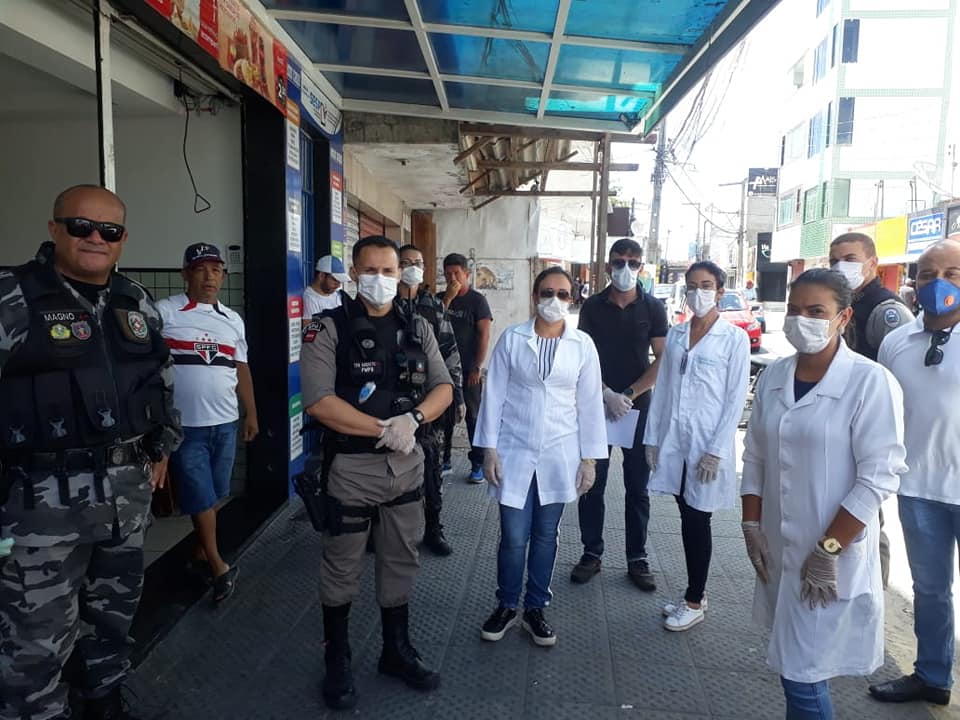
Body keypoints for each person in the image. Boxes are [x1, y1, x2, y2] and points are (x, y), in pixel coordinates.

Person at [0, 185, 182, 720]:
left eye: (109, 230)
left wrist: (162, 446)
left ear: (123, 239)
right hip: (38, 508)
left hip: (125, 498)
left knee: (113, 617)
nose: (95, 238)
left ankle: (104, 700)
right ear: (54, 229)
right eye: (80, 226)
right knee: (34, 638)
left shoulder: (133, 299)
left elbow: (160, 377)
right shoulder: (13, 296)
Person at [740, 268, 906, 720]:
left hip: (831, 556)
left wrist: (828, 549)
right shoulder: (775, 376)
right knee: (795, 667)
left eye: (816, 311)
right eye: (794, 310)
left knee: (802, 675)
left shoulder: (869, 382)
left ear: (843, 317)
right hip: (779, 549)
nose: (802, 320)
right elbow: (755, 456)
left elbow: (879, 477)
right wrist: (751, 524)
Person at [300, 235, 453, 710]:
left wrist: (414, 420)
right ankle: (338, 658)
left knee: (401, 559)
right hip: (351, 467)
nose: (381, 279)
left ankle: (395, 650)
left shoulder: (418, 325)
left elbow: (443, 386)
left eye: (389, 271)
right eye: (371, 271)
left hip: (407, 466)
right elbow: (319, 401)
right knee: (342, 565)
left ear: (400, 274)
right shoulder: (327, 328)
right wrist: (383, 429)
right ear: (353, 273)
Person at [474, 267, 606, 647]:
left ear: (572, 299)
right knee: (514, 536)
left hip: (560, 454)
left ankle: (535, 608)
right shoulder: (513, 339)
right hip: (514, 451)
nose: (554, 300)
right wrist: (489, 450)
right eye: (547, 292)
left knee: (546, 535)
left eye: (562, 294)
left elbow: (590, 404)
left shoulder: (582, 345)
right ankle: (506, 604)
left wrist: (589, 460)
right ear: (534, 296)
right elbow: (493, 396)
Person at [869, 238, 960, 708]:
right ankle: (932, 675)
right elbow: (882, 412)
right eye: (928, 274)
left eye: (952, 274)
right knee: (929, 591)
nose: (938, 283)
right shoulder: (896, 342)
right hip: (919, 487)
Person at [643, 261, 750, 631]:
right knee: (685, 513)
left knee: (697, 518)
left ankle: (693, 600)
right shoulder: (676, 335)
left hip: (706, 442)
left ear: (720, 291)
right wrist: (652, 438)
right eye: (691, 285)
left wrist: (717, 449)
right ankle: (695, 593)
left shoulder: (733, 339)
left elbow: (735, 398)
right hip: (675, 440)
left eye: (706, 285)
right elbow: (664, 389)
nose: (698, 292)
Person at [156, 243, 259, 602]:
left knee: (215, 494)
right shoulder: (165, 312)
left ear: (223, 276)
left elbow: (241, 370)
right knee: (200, 498)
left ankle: (200, 552)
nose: (209, 276)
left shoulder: (232, 319)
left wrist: (251, 413)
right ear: (185, 274)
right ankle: (218, 566)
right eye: (200, 269)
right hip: (185, 428)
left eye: (215, 270)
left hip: (226, 422)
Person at [571, 238, 668, 591]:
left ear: (641, 266)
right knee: (591, 482)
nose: (625, 268)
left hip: (637, 407)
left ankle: (637, 558)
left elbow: (663, 358)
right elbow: (581, 357)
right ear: (608, 265)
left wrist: (628, 394)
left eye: (632, 262)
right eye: (618, 261)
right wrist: (606, 393)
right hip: (597, 404)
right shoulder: (593, 307)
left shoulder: (653, 307)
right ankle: (591, 553)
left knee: (637, 487)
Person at [828, 231, 912, 588]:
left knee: (867, 517)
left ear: (872, 263)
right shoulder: (842, 302)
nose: (840, 266)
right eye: (834, 260)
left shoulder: (885, 310)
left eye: (849, 259)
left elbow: (903, 379)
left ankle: (874, 593)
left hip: (870, 430)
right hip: (838, 427)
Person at [397, 244, 464, 556]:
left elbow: (450, 352)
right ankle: (382, 529)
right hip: (392, 403)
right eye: (406, 262)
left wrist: (456, 396)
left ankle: (433, 528)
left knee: (431, 469)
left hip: (429, 404)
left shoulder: (433, 306)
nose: (412, 268)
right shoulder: (384, 306)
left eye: (418, 262)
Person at [439, 253, 492, 482]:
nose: (452, 278)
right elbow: (432, 323)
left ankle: (477, 463)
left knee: (473, 416)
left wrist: (476, 367)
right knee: (444, 415)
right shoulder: (440, 298)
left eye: (456, 273)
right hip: (442, 370)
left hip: (469, 369)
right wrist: (448, 299)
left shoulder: (477, 301)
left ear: (467, 274)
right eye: (448, 274)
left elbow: (484, 335)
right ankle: (444, 459)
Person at [303, 254, 350, 319]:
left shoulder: (339, 295)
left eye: (340, 281)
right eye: (335, 280)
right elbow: (310, 324)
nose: (338, 285)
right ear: (321, 276)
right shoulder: (309, 297)